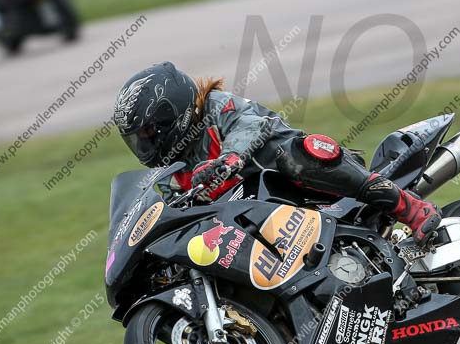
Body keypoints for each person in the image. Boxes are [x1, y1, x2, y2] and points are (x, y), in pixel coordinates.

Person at [113, 62, 441, 245]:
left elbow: (249, 125)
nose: (145, 145)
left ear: (174, 114)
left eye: (148, 133)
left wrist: (229, 159)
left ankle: (409, 207)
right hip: (258, 226)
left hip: (306, 186)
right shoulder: (170, 172)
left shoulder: (216, 107)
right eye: (137, 139)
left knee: (297, 155)